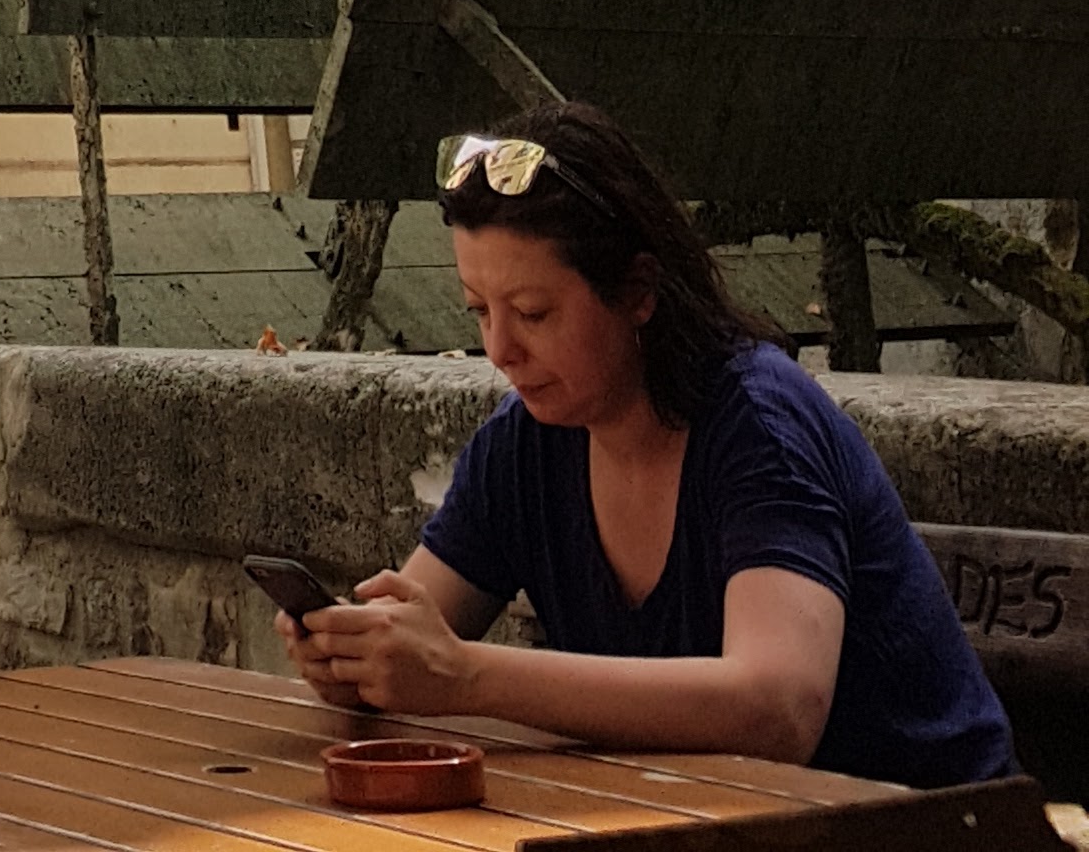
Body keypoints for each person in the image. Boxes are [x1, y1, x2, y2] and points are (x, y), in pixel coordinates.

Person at [282, 100, 1013, 785]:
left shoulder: (757, 427)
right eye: (479, 311)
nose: (500, 349)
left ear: (638, 292)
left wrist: (468, 676)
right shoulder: (526, 445)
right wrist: (358, 656)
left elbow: (781, 708)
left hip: (932, 821)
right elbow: (425, 633)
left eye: (533, 313)